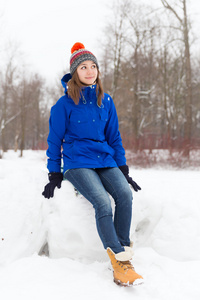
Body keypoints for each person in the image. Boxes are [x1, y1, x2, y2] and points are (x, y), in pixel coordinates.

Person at [42, 42, 143, 286]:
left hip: (105, 159)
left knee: (125, 196)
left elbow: (114, 137)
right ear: (75, 72)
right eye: (84, 67)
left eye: (93, 66)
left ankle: (122, 253)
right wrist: (54, 172)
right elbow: (55, 141)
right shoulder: (63, 105)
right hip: (78, 163)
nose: (90, 71)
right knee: (101, 202)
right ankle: (120, 262)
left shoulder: (106, 101)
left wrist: (123, 169)